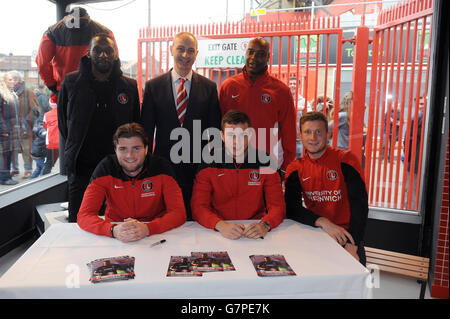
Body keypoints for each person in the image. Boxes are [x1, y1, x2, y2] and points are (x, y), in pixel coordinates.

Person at [58, 34, 140, 222]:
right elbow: (65, 124)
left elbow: (135, 125)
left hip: (118, 168)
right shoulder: (71, 83)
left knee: (120, 222)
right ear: (88, 53)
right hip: (81, 167)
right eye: (98, 50)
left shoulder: (128, 86)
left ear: (115, 55)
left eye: (108, 50)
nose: (103, 55)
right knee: (79, 222)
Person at [140, 32, 222, 221]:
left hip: (197, 167)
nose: (185, 55)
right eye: (181, 49)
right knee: (164, 216)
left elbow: (214, 130)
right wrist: (148, 165)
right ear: (171, 50)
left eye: (190, 51)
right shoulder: (153, 86)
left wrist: (211, 165)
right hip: (163, 166)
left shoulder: (209, 87)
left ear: (196, 53)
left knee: (196, 218)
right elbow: (146, 129)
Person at [77, 123, 186, 242]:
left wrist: (148, 228)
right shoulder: (105, 168)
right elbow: (84, 215)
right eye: (123, 149)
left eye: (136, 148)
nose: (130, 155)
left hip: (156, 233)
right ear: (115, 150)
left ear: (146, 149)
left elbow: (178, 213)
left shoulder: (162, 167)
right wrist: (112, 230)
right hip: (117, 232)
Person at [284, 111, 368, 265]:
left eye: (318, 132)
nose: (313, 138)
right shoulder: (295, 168)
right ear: (300, 135)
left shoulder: (346, 159)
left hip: (348, 236)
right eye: (307, 132)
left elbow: (360, 205)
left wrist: (353, 245)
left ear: (328, 134)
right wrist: (322, 221)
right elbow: (292, 208)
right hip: (316, 233)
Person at [191, 110, 285, 240]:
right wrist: (220, 225)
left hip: (256, 229)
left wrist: (266, 224)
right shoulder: (209, 162)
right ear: (222, 136)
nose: (237, 142)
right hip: (218, 230)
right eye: (231, 136)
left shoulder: (266, 161)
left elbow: (277, 206)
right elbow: (199, 207)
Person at [219, 37, 296, 180]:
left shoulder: (281, 91)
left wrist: (286, 168)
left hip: (268, 166)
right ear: (246, 53)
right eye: (251, 52)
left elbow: (289, 132)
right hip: (233, 164)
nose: (254, 57)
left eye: (260, 54)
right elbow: (219, 126)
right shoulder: (229, 86)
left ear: (268, 57)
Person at [36, 6, 116, 100]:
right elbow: (114, 60)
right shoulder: (105, 32)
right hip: (96, 89)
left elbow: (42, 64)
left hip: (65, 90)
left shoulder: (52, 32)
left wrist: (53, 87)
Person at [5, 71, 38, 179]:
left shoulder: (28, 91)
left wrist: (26, 122)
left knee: (26, 148)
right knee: (12, 148)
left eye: (13, 79)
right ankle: (14, 168)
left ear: (18, 80)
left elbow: (35, 110)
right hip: (11, 125)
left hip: (25, 126)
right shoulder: (7, 92)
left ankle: (28, 170)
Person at [0, 73, 19, 185]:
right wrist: (3, 130)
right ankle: (4, 178)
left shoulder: (11, 94)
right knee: (5, 154)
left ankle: (5, 176)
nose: (13, 81)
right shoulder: (1, 94)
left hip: (12, 129)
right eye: (10, 79)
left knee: (9, 153)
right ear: (4, 81)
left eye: (13, 79)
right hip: (5, 131)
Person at [289, 75, 311, 158]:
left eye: (294, 83)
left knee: (299, 160)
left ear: (298, 86)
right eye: (290, 83)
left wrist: (303, 109)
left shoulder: (304, 101)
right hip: (285, 137)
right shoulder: (284, 99)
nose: (292, 85)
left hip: (298, 138)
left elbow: (310, 114)